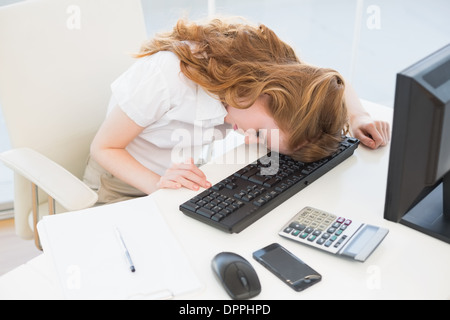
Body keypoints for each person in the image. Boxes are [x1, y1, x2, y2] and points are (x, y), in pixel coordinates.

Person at [83, 17, 390, 204]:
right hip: (123, 182)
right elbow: (104, 147)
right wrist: (158, 186)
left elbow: (329, 78)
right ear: (266, 95)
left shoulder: (277, 73)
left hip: (183, 173)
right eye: (258, 134)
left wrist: (358, 116)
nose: (249, 138)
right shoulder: (167, 77)